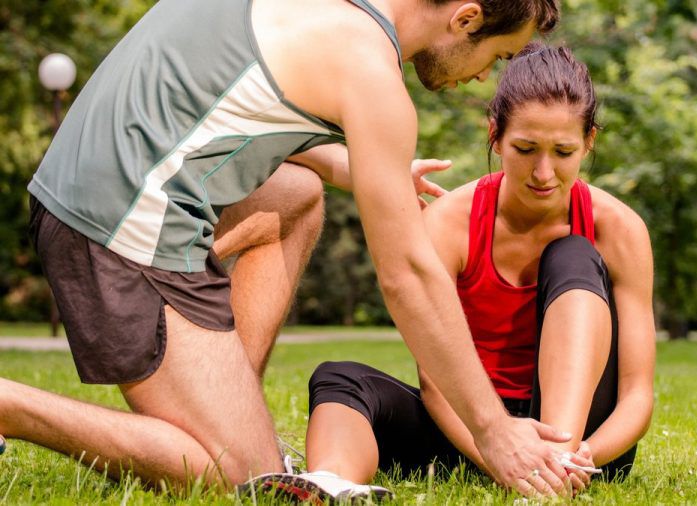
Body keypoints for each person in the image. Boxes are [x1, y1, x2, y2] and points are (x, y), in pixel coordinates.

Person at [0, 0, 572, 498]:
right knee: (238, 475)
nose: (481, 79)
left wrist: (353, 167)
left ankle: (221, 408)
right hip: (116, 224)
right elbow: (407, 277)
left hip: (85, 186)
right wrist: (493, 430)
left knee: (297, 196)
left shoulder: (327, 12)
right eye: (496, 57)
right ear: (466, 17)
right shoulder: (369, 69)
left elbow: (216, 98)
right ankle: (12, 406)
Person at [302, 41, 656, 498]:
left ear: (589, 142)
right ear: (495, 135)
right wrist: (497, 454)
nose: (544, 172)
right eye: (525, 149)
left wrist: (575, 456)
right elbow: (434, 384)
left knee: (572, 253)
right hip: (474, 429)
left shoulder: (619, 229)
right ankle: (329, 485)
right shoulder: (449, 224)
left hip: (581, 437)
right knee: (339, 377)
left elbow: (636, 395)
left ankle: (553, 465)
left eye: (563, 152)